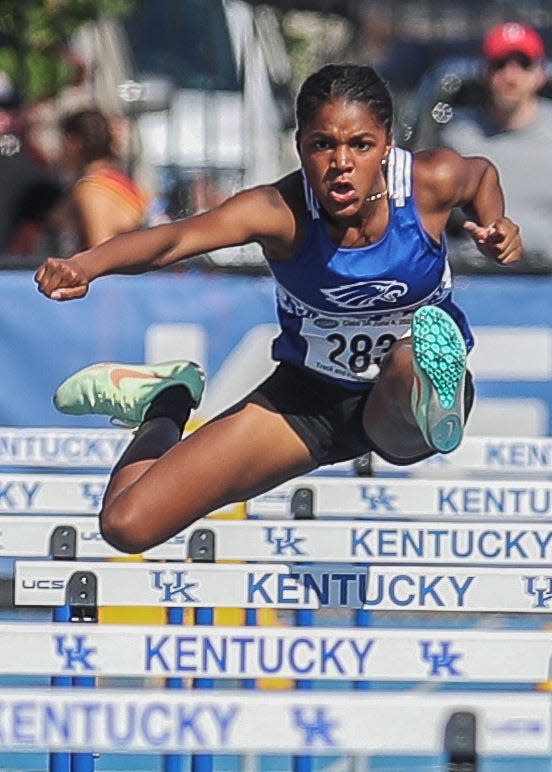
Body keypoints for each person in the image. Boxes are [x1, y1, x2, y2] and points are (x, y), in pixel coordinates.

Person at [34, 64, 521, 555]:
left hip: (399, 399)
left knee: (407, 364)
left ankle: (435, 388)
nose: (340, 162)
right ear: (300, 146)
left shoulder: (430, 182)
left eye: (360, 144)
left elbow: (483, 176)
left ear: (388, 144)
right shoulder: (279, 212)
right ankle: (168, 400)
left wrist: (495, 225)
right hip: (307, 399)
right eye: (322, 144)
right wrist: (85, 265)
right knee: (126, 524)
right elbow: (176, 239)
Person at [440, 22, 552, 263]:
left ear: (540, 73)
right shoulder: (457, 138)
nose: (510, 76)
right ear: (484, 72)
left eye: (523, 64)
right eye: (500, 65)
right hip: (476, 277)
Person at [58, 107, 149, 249]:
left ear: (74, 143)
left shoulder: (91, 189)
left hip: (115, 269)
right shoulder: (118, 180)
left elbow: (100, 250)